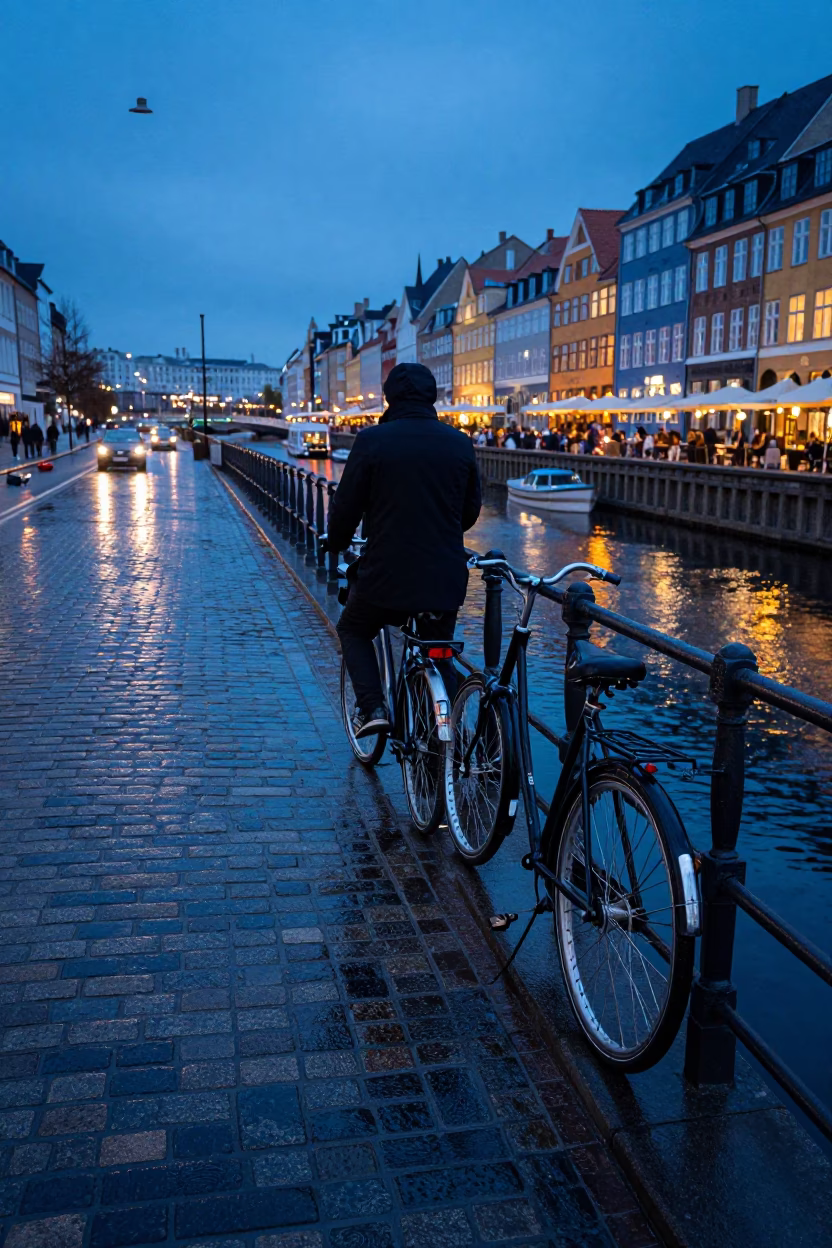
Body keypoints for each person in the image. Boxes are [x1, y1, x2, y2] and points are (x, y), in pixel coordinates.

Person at [328, 362, 481, 738]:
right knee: (436, 647)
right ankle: (439, 742)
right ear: (433, 396)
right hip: (443, 577)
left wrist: (335, 541)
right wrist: (440, 533)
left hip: (386, 574)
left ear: (389, 398)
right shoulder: (459, 443)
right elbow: (470, 510)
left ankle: (373, 708)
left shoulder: (372, 441)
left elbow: (346, 507)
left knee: (353, 628)